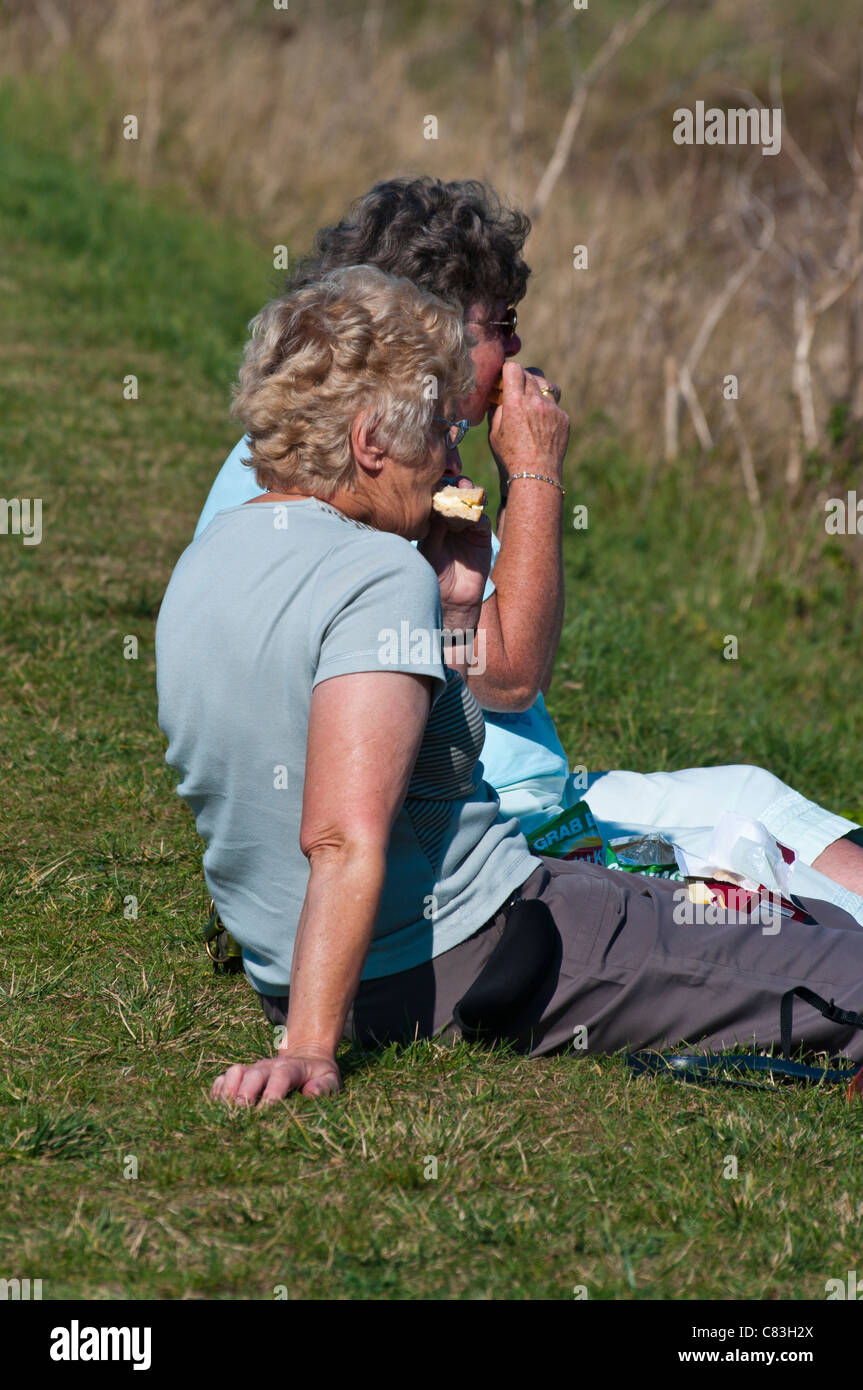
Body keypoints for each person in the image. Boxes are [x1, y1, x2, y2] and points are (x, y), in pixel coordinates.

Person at [157, 265, 863, 1105]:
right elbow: (342, 835)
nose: (454, 463)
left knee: (770, 917)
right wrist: (309, 1048)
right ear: (371, 441)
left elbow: (334, 750)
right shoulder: (373, 572)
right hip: (466, 948)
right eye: (439, 435)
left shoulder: (209, 558)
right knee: (843, 964)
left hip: (310, 961)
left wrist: (456, 603)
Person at [194, 177, 863, 923]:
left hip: (509, 797)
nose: (516, 348)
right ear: (427, 335)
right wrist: (536, 470)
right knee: (753, 869)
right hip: (480, 828)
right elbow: (505, 673)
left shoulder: (311, 441)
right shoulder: (362, 474)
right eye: (500, 326)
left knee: (747, 793)